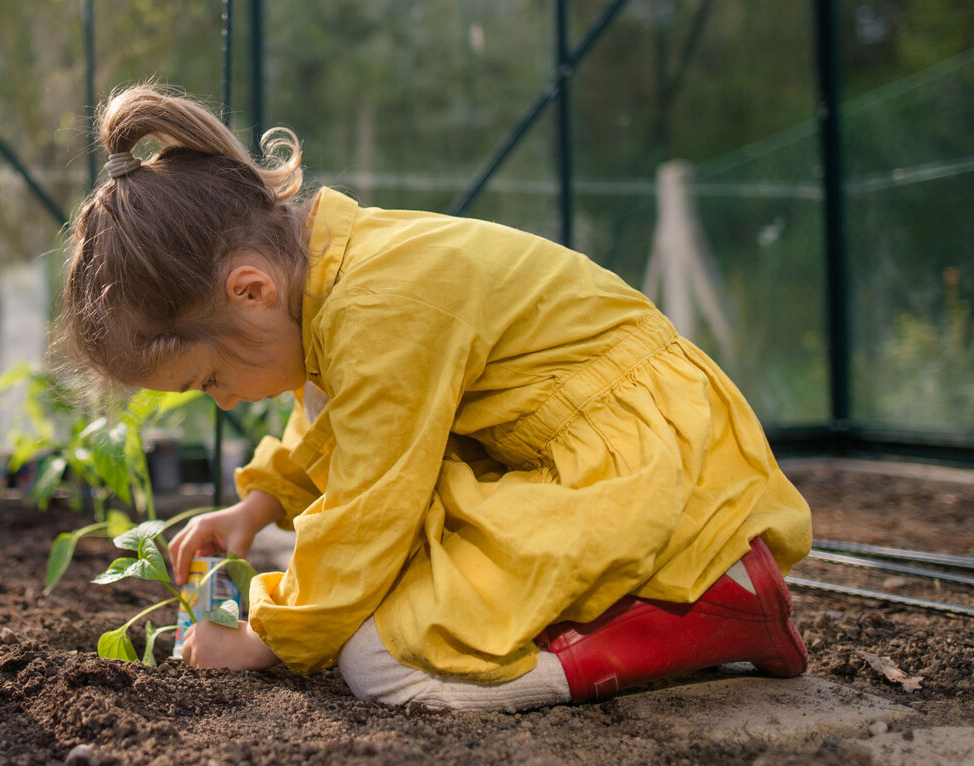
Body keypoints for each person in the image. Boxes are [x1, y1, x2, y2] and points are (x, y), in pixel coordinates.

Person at [56, 84, 812, 711]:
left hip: (646, 465)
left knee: (380, 663)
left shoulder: (380, 306)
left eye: (208, 381)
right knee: (357, 583)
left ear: (250, 291)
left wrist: (270, 638)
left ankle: (709, 605)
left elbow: (369, 506)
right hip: (584, 445)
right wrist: (258, 505)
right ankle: (665, 591)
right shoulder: (330, 270)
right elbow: (336, 412)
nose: (222, 402)